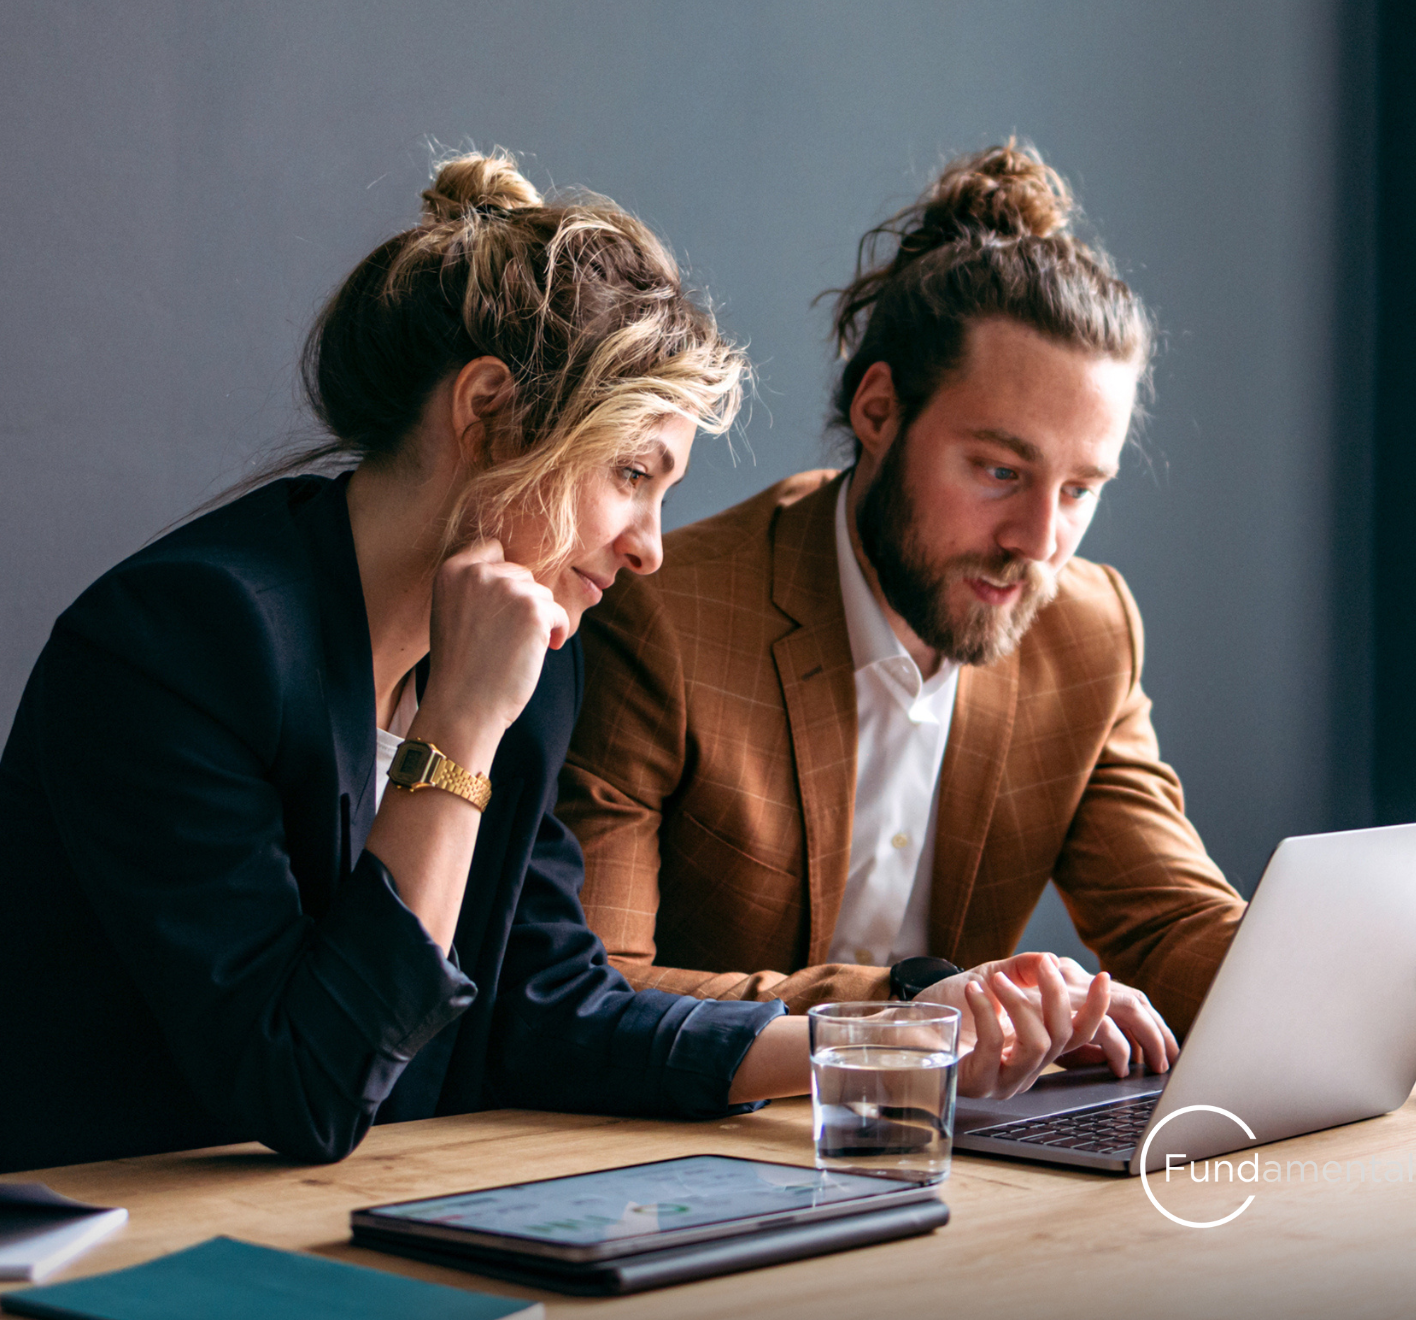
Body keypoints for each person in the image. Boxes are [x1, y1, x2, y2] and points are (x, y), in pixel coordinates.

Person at [0, 151, 1096, 1176]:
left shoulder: (528, 655)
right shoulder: (181, 644)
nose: (650, 544)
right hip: (116, 1248)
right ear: (487, 412)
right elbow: (304, 1086)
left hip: (361, 1224)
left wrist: (886, 1038)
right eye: (631, 472)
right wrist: (460, 734)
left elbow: (550, 1006)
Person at [558, 141, 1416, 1058]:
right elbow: (602, 987)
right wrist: (912, 1004)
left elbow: (1171, 924)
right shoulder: (665, 612)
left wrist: (1400, 959)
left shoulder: (1086, 630)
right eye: (998, 471)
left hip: (950, 1170)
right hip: (697, 1165)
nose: (1039, 542)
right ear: (878, 412)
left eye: (1080, 491)